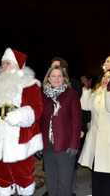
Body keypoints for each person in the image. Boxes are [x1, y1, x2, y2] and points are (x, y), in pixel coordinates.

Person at [0, 47, 43, 196]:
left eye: (7, 63)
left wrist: (19, 116)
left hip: (19, 140)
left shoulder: (29, 84)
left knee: (23, 176)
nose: (3, 66)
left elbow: (36, 109)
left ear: (17, 66)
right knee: (1, 176)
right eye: (2, 63)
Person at [40, 66, 81, 196]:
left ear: (64, 78)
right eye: (53, 76)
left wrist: (74, 144)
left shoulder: (71, 94)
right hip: (48, 147)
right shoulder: (43, 96)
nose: (57, 79)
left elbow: (77, 121)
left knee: (64, 184)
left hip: (66, 147)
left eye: (59, 76)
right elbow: (40, 121)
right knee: (51, 184)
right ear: (48, 78)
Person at [78, 70, 110, 196]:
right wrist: (87, 89)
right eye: (105, 76)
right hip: (95, 140)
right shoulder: (98, 93)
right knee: (97, 173)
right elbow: (85, 105)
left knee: (109, 174)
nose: (106, 79)